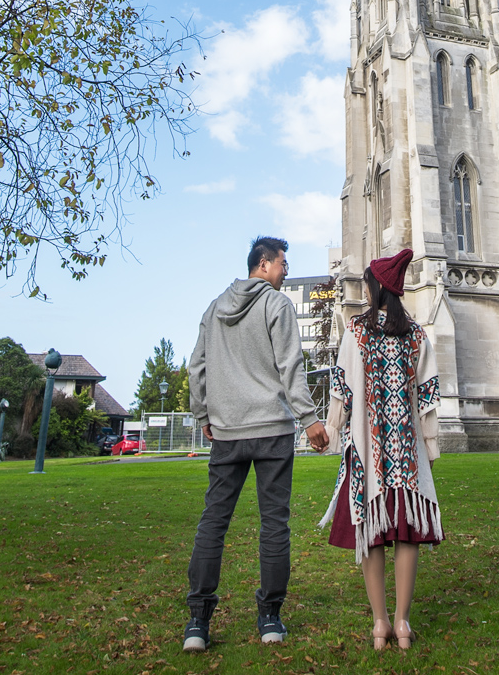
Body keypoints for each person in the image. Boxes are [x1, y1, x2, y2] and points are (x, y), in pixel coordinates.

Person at [184, 235, 330, 652]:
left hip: (228, 431)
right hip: (270, 431)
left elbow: (197, 368)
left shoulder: (214, 309)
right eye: (283, 263)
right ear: (263, 264)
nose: (286, 270)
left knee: (214, 522)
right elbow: (290, 365)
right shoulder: (276, 304)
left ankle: (198, 622)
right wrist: (309, 419)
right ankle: (270, 617)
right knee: (273, 525)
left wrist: (203, 414)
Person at [322, 249, 444, 651]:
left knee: (371, 533)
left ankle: (380, 624)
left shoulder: (356, 331)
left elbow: (341, 390)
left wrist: (332, 430)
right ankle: (404, 624)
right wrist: (430, 445)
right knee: (406, 534)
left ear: (375, 288)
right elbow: (427, 398)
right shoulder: (417, 335)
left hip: (367, 451)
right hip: (407, 454)